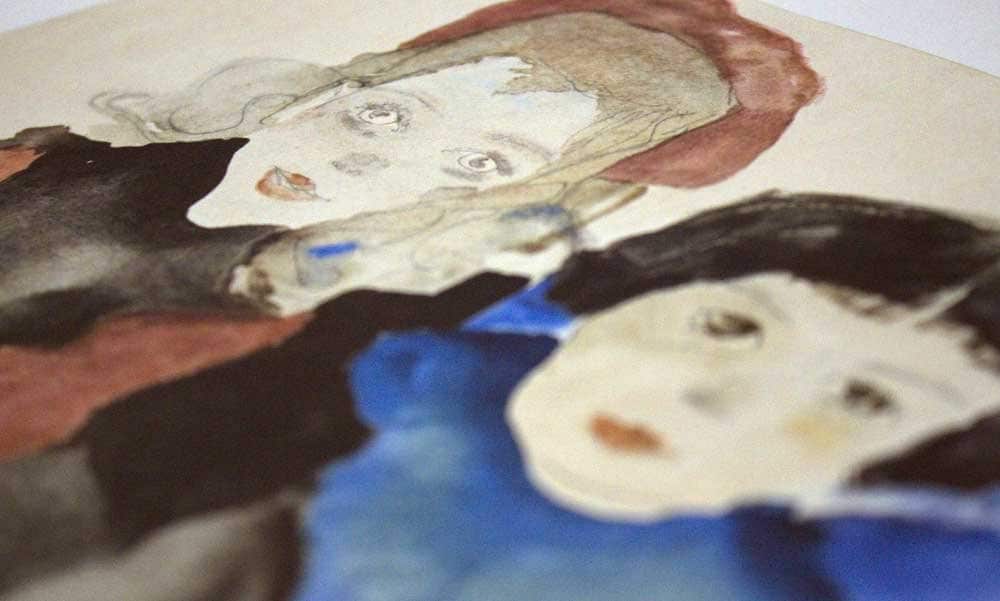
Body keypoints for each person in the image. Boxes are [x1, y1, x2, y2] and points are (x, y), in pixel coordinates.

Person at [295, 191, 1000, 601]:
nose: (712, 401)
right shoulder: (381, 379)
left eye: (866, 400)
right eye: (727, 326)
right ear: (613, 297)